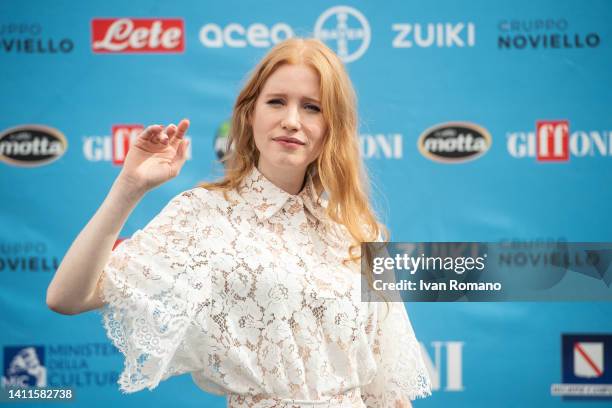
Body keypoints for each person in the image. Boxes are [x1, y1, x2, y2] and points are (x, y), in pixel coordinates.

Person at [46, 38, 431, 408]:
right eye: (277, 102)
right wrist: (129, 187)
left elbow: (385, 390)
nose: (292, 121)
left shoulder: (357, 231)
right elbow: (67, 298)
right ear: (250, 114)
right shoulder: (205, 214)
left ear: (333, 127)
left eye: (312, 107)